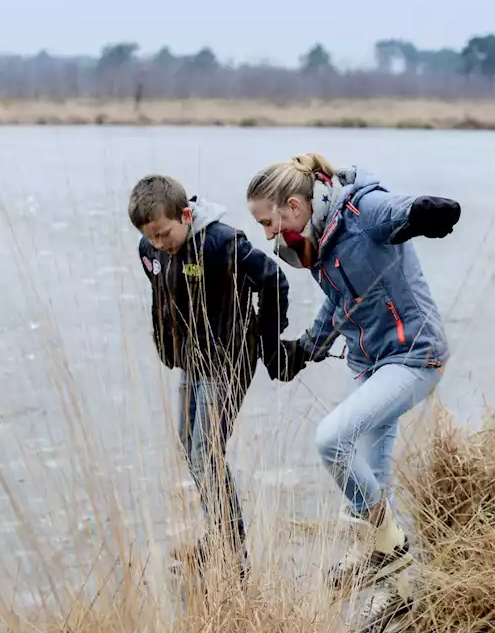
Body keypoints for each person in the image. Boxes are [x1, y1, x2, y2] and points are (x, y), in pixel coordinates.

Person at [245, 153, 460, 592]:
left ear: (294, 205)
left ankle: (392, 548)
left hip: (414, 356)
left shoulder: (361, 212)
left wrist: (422, 212)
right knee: (373, 487)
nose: (267, 235)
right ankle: (398, 596)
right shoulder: (319, 241)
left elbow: (394, 211)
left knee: (332, 440)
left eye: (268, 222)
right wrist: (306, 348)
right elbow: (341, 300)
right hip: (370, 365)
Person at [129, 174, 290, 581]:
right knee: (190, 444)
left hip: (229, 360)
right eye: (153, 238)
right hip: (192, 361)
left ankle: (233, 555)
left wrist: (267, 343)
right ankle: (217, 533)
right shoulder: (150, 249)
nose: (161, 243)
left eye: (165, 233)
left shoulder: (222, 243)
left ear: (185, 214)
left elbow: (274, 281)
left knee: (206, 448)